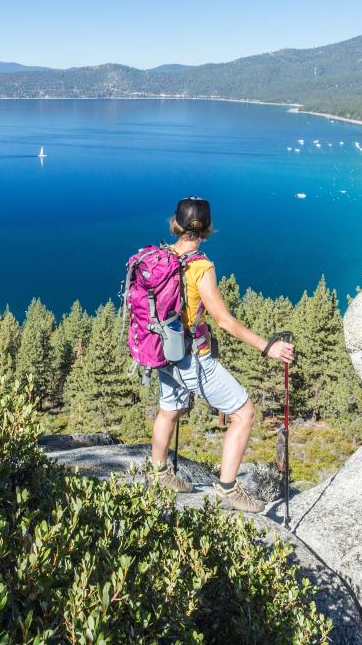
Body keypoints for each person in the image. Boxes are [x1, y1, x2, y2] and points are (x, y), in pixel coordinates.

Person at [149, 196, 294, 513]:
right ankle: (228, 488)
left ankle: (160, 472)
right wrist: (267, 347)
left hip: (162, 350)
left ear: (176, 225)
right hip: (192, 358)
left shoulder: (159, 257)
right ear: (208, 228)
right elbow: (224, 320)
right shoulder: (201, 267)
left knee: (169, 410)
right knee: (244, 413)